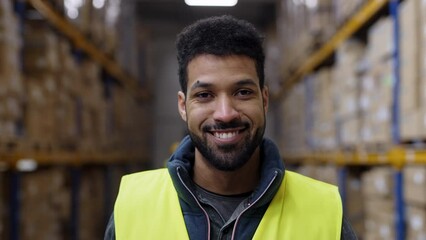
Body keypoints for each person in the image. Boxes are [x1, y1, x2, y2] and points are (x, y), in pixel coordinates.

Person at [104, 15, 357, 240]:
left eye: (243, 92)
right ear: (183, 106)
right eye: (204, 95)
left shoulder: (324, 212)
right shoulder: (132, 206)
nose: (225, 114)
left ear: (264, 99)